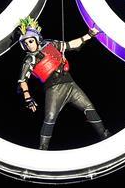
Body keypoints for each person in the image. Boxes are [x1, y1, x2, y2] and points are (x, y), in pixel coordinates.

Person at [16, 16, 110, 150]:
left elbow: (70, 44)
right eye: (25, 43)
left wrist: (89, 35)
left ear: (36, 39)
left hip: (70, 84)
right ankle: (42, 150)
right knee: (50, 117)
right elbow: (22, 80)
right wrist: (27, 97)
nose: (28, 45)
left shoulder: (51, 44)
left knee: (89, 107)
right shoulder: (29, 59)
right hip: (54, 89)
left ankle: (105, 135)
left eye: (30, 41)